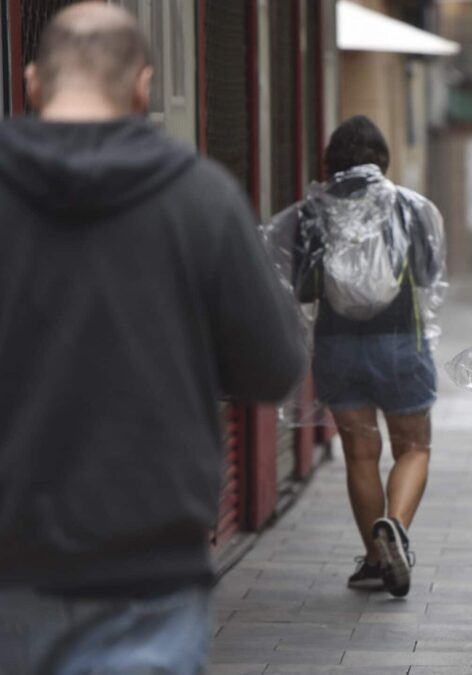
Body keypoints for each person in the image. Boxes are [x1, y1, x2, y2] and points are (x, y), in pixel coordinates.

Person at [0, 5, 306, 674]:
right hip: (146, 572)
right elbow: (273, 364)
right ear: (142, 87)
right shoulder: (202, 199)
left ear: (30, 84)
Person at [281, 115, 446, 598]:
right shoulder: (410, 208)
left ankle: (375, 560)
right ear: (383, 159)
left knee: (360, 454)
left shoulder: (312, 213)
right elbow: (430, 274)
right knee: (413, 447)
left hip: (337, 346)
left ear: (330, 162)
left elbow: (303, 286)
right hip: (400, 343)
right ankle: (394, 525)